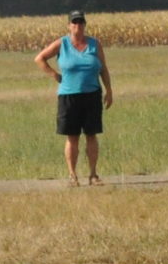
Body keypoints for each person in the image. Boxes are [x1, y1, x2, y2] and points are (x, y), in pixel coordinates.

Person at [35, 10, 113, 185]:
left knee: (91, 135)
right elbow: (40, 58)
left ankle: (93, 174)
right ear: (69, 26)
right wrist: (55, 75)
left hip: (92, 94)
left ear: (85, 25)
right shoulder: (62, 43)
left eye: (80, 22)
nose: (78, 26)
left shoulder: (95, 44)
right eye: (74, 22)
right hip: (69, 96)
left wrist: (109, 90)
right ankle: (72, 175)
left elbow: (103, 68)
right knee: (72, 136)